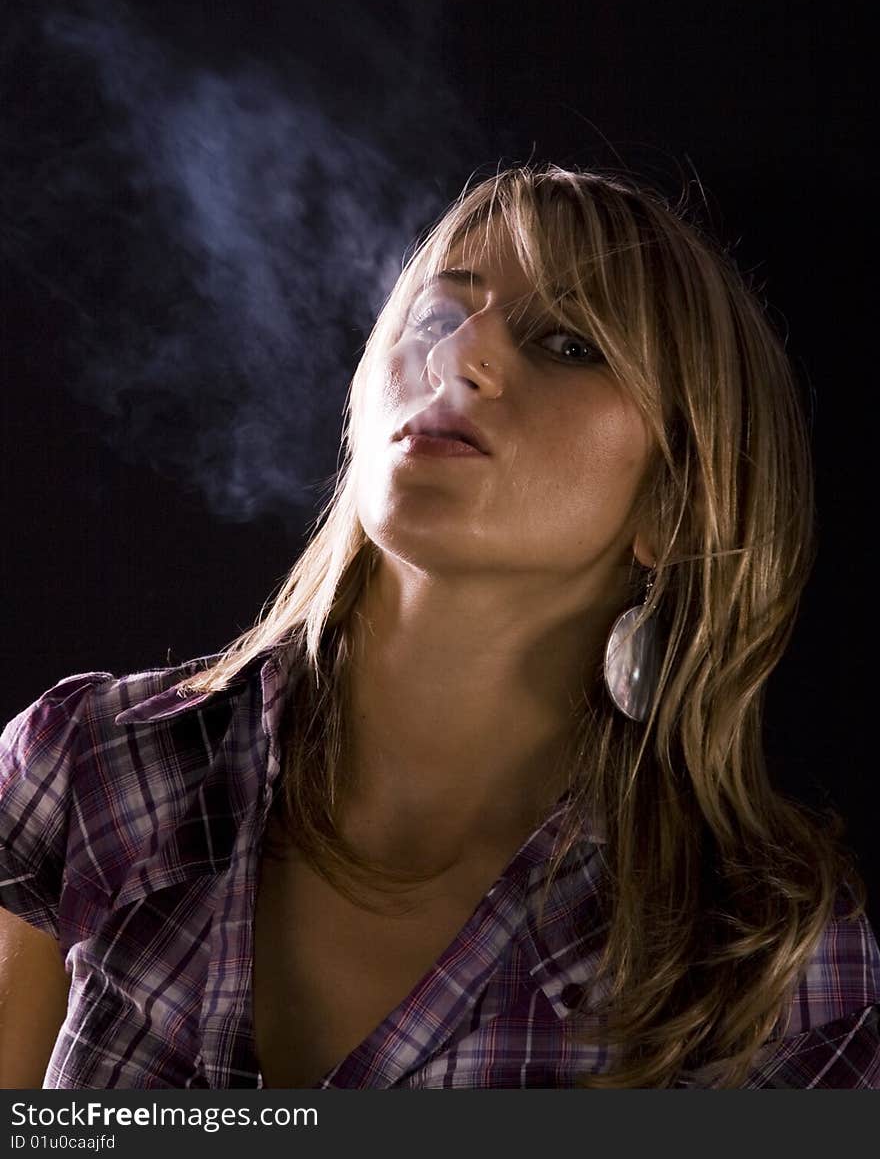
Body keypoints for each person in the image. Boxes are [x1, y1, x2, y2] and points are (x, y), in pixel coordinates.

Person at [1, 165, 878, 1090]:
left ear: (675, 504)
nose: (459, 356)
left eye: (569, 343)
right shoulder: (91, 769)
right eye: (433, 317)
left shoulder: (772, 979)